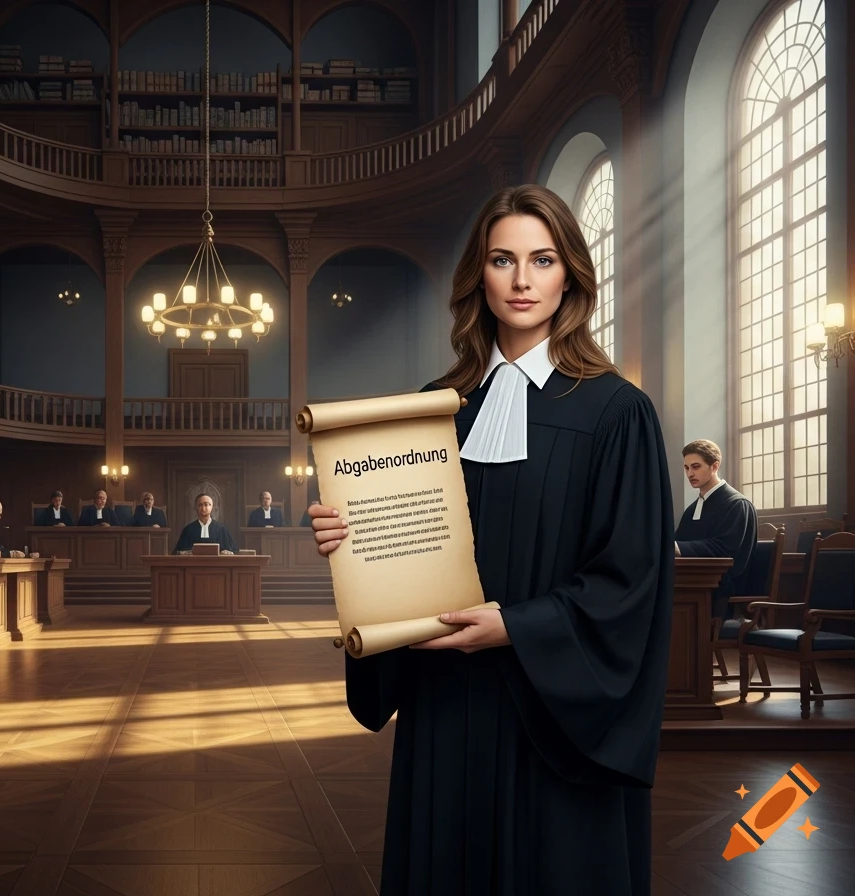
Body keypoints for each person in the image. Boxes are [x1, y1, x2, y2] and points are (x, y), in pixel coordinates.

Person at [309, 184, 672, 895]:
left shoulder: (616, 411)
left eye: (543, 259)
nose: (522, 280)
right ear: (480, 275)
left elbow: (631, 578)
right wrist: (350, 539)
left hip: (556, 712)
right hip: (444, 698)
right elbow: (400, 550)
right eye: (503, 260)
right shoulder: (431, 410)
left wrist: (517, 627)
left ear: (570, 275)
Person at [674, 439, 757, 621]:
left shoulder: (737, 504)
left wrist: (678, 548)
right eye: (687, 468)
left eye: (696, 467)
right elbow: (678, 541)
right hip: (695, 582)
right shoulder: (692, 509)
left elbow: (726, 550)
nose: (690, 473)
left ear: (715, 466)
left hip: (724, 589)